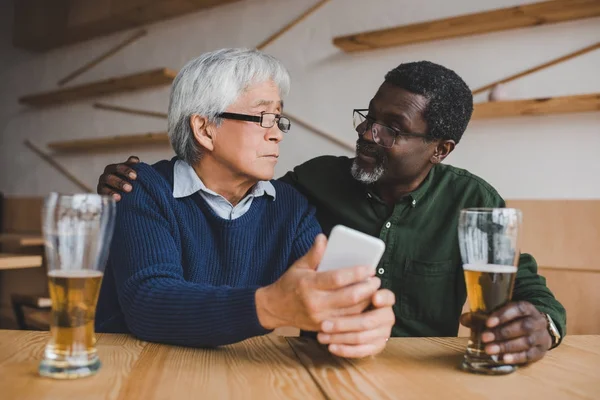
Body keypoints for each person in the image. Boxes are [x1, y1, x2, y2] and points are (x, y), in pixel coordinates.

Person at [98, 59, 566, 366]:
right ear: (204, 126)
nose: (368, 133)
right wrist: (136, 185)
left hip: (402, 372)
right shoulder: (308, 186)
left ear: (439, 150)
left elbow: (523, 286)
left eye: (393, 128)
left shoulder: (471, 200)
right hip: (143, 367)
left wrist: (542, 324)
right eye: (370, 117)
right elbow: (159, 285)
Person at [95, 48, 395, 358]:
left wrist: (361, 318)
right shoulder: (142, 188)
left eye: (279, 119)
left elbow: (322, 293)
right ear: (205, 129)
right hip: (133, 369)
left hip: (238, 372)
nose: (277, 134)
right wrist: (270, 306)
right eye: (264, 117)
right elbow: (149, 302)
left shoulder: (289, 206)